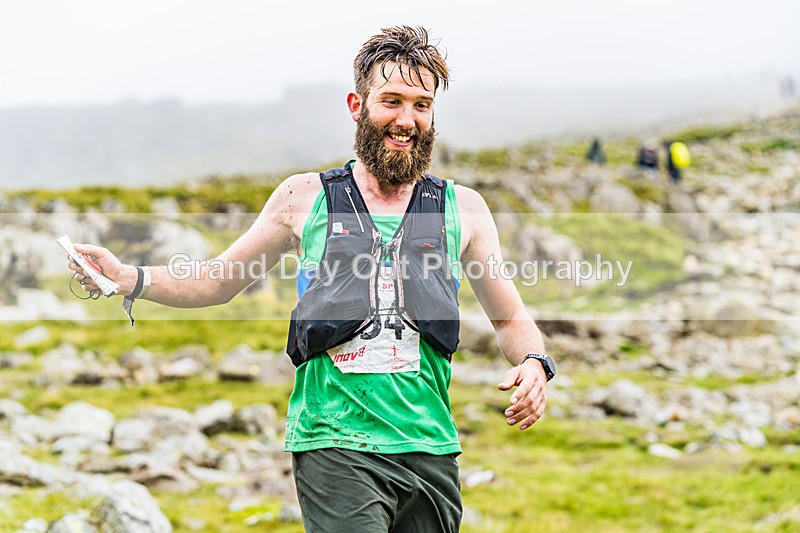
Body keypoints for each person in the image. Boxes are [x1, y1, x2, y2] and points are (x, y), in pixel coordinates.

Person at [67, 26, 553, 533]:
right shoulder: (303, 199)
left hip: (432, 449)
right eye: (391, 101)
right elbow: (217, 281)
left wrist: (535, 363)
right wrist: (129, 278)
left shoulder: (464, 208)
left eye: (422, 105)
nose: (407, 120)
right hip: (335, 445)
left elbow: (510, 317)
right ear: (356, 104)